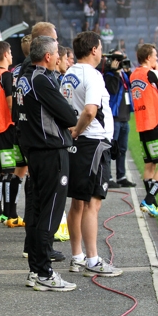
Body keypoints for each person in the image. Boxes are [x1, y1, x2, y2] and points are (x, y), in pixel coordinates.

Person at [17, 35, 77, 291]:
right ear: (48, 56)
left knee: (39, 211)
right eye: (56, 54)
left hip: (34, 152)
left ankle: (35, 271)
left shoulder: (22, 79)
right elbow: (67, 115)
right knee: (50, 214)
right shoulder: (41, 79)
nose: (58, 58)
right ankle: (44, 273)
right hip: (51, 152)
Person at [61, 31, 123, 278]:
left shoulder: (69, 73)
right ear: (94, 49)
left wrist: (73, 132)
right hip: (93, 142)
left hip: (78, 144)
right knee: (92, 203)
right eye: (100, 47)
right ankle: (93, 260)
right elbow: (89, 111)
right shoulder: (93, 75)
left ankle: (77, 257)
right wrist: (77, 130)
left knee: (77, 201)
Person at [130, 44, 158, 217]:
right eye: (155, 55)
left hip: (143, 124)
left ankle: (153, 205)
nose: (157, 58)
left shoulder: (134, 75)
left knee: (150, 164)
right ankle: (148, 200)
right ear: (148, 57)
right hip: (156, 121)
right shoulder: (152, 73)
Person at [0, 40, 24, 227]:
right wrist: (18, 121)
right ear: (4, 55)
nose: (12, 56)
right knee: (9, 172)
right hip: (7, 128)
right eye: (10, 53)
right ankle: (10, 213)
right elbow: (11, 103)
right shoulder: (6, 76)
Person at [103, 49, 136, 188]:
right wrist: (115, 73)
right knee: (111, 148)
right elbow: (113, 90)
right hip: (114, 118)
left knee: (122, 149)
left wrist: (128, 72)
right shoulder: (108, 75)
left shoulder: (125, 75)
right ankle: (108, 177)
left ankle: (121, 176)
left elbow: (133, 88)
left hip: (124, 117)